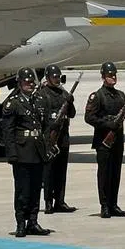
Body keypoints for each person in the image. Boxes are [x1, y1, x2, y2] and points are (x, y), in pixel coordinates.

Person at [2, 67, 52, 238]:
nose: (30, 85)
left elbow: (45, 126)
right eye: (27, 82)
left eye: (32, 82)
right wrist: (12, 154)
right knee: (23, 191)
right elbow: (8, 132)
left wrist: (46, 148)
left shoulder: (39, 100)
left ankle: (33, 221)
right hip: (22, 152)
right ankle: (20, 223)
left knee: (36, 189)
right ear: (20, 83)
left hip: (37, 151)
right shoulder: (13, 103)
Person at [84, 61, 125, 218]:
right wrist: (108, 124)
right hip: (103, 141)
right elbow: (89, 117)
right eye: (109, 75)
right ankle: (105, 205)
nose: (112, 77)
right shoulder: (97, 96)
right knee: (104, 174)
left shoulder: (120, 95)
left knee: (115, 173)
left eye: (114, 75)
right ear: (103, 77)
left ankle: (114, 204)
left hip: (117, 140)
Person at [40, 64, 77, 213]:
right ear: (48, 78)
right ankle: (48, 201)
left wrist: (70, 102)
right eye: (54, 77)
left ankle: (60, 201)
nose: (57, 80)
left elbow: (72, 114)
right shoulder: (42, 94)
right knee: (49, 171)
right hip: (49, 137)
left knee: (61, 171)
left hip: (63, 137)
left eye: (58, 77)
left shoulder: (63, 94)